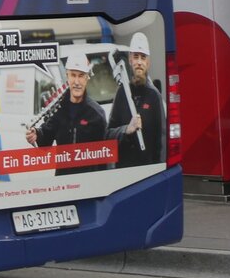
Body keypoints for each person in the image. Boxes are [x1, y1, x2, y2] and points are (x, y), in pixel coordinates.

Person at [25, 53, 109, 175]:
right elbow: (46, 138)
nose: (76, 81)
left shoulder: (96, 114)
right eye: (73, 75)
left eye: (81, 76)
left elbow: (104, 157)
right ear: (67, 76)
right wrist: (36, 135)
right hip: (63, 180)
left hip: (89, 181)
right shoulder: (58, 108)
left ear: (87, 78)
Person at [106, 32, 164, 167]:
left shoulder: (154, 96)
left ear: (148, 63)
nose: (139, 62)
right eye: (136, 57)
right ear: (130, 60)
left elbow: (161, 141)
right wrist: (126, 129)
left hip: (148, 172)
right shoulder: (122, 93)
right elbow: (108, 134)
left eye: (143, 58)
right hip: (125, 172)